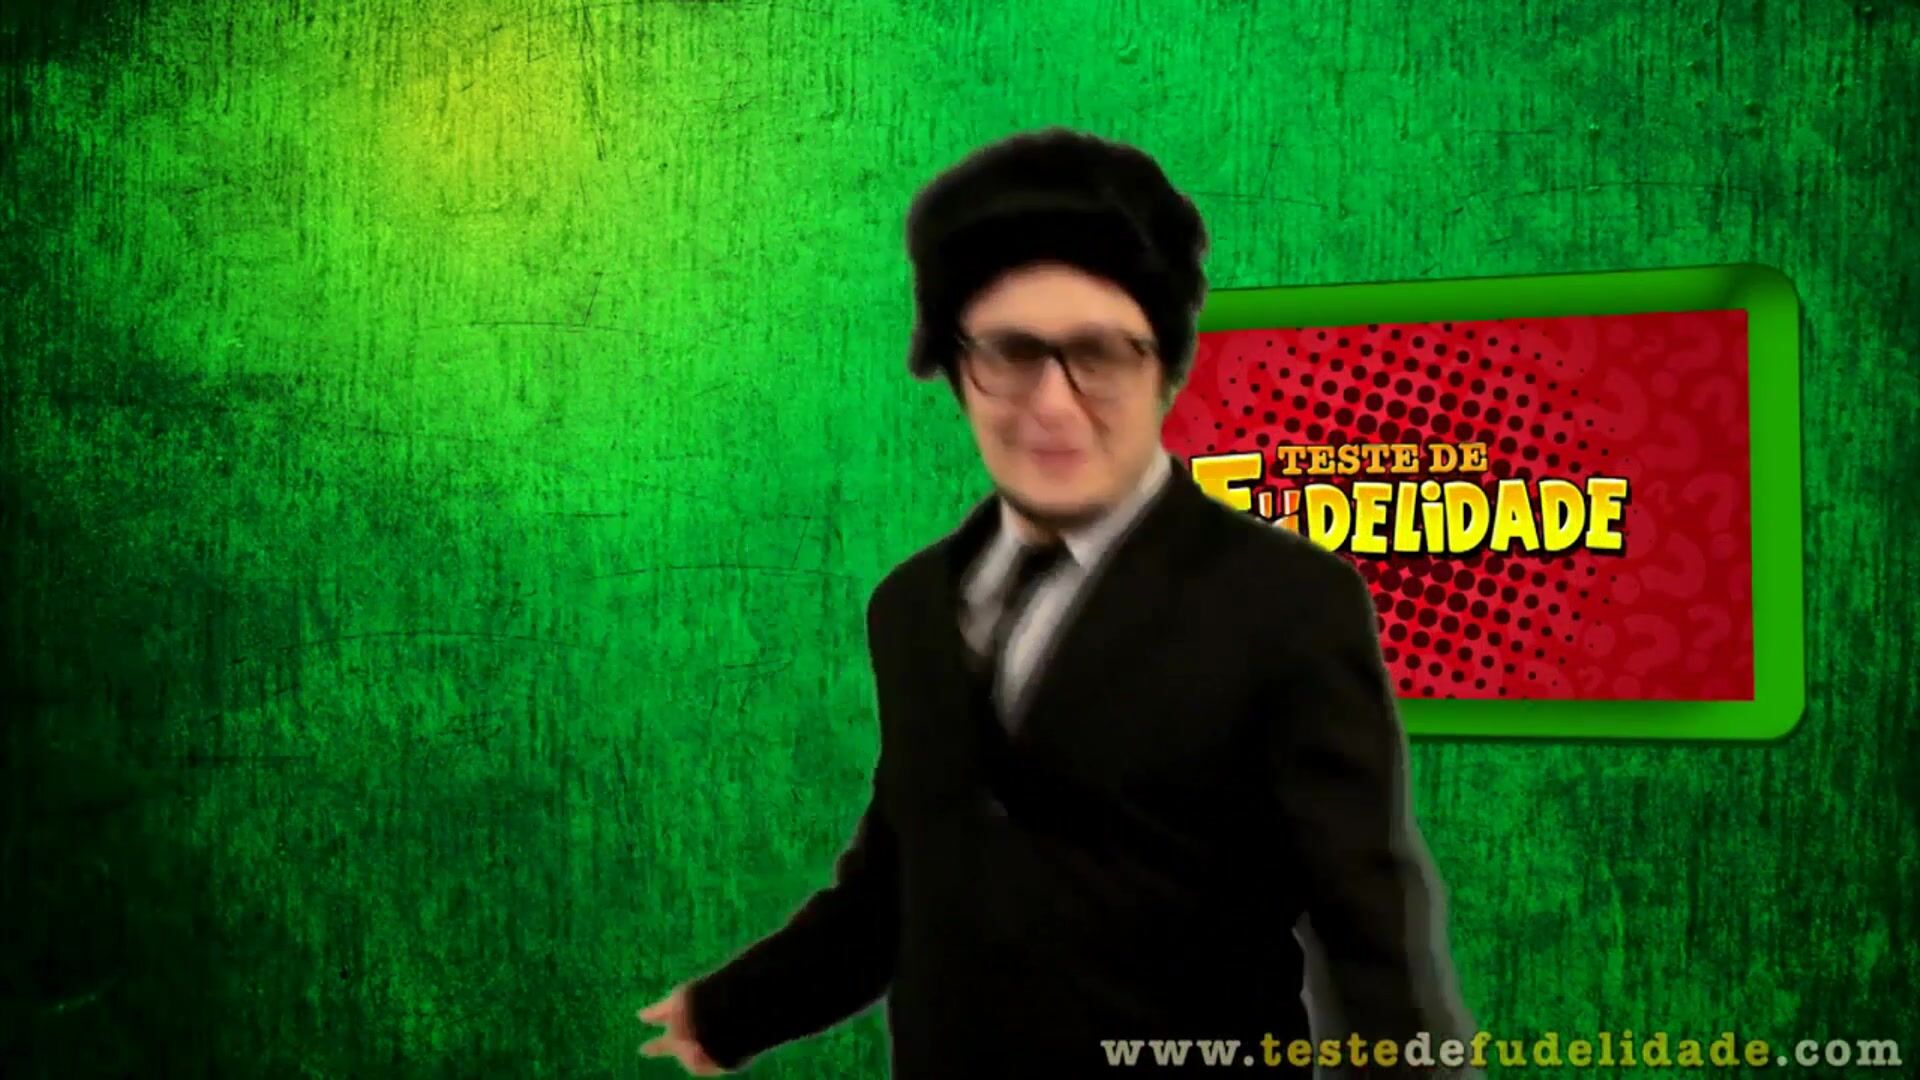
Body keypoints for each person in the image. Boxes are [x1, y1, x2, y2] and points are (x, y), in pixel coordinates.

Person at [639, 128, 1474, 1078]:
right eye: (1010, 351)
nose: (1052, 404)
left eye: (1099, 354)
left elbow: (1369, 938)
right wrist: (728, 1013)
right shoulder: (910, 608)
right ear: (955, 367)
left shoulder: (1285, 602)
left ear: (1164, 367)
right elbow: (903, 881)